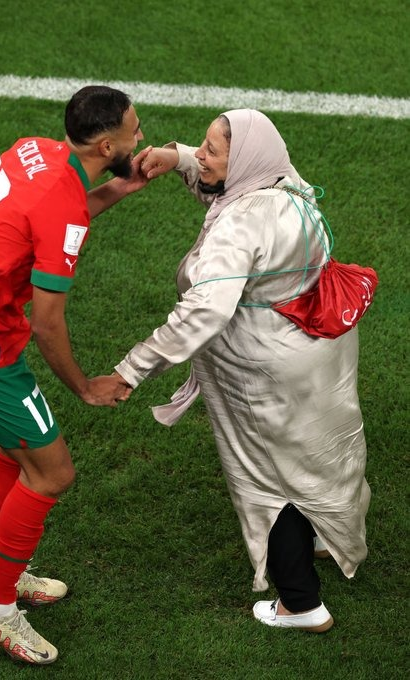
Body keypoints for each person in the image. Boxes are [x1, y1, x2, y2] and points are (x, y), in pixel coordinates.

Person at [0, 85, 148, 664]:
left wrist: (122, 186)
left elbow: (52, 214)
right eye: (135, 132)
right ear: (107, 145)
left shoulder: (34, 149)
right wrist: (84, 386)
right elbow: (46, 322)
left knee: (15, 452)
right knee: (52, 473)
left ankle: (2, 575)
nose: (141, 138)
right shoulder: (62, 206)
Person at [115, 109, 371, 633]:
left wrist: (132, 369)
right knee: (323, 453)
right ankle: (328, 534)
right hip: (319, 351)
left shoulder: (239, 223)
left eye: (212, 150)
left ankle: (301, 605)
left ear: (246, 160)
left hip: (264, 369)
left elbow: (205, 311)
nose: (202, 155)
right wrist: (179, 158)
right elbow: (228, 182)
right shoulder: (285, 180)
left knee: (269, 480)